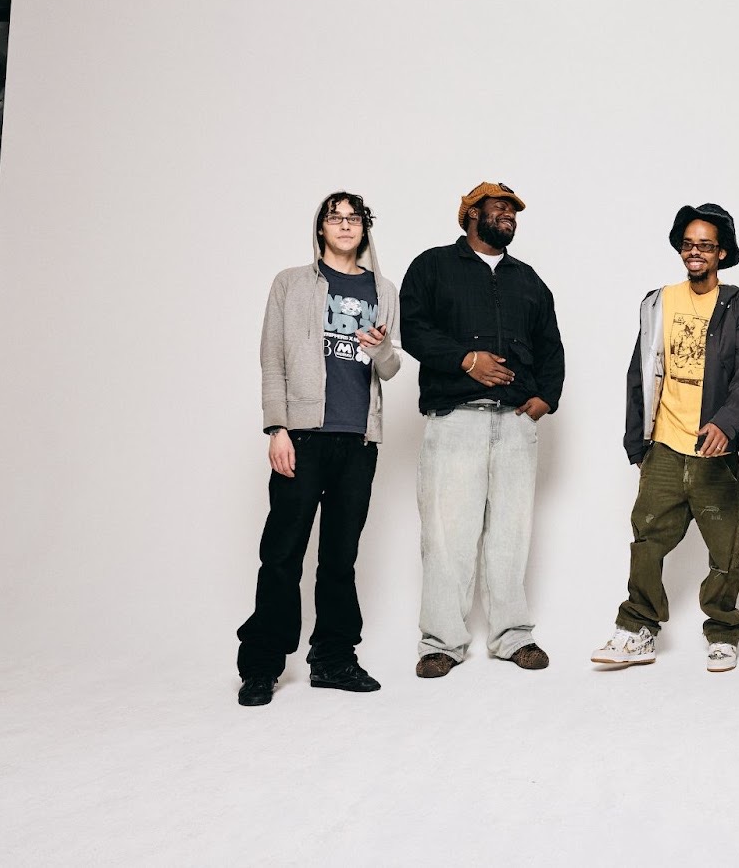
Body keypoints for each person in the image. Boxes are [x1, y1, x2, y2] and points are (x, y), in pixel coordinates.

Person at [237, 191, 402, 707]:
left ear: (365, 229)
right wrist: (277, 428)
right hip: (303, 438)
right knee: (282, 554)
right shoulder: (290, 283)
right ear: (321, 227)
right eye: (336, 217)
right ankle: (261, 665)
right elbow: (272, 359)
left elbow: (390, 368)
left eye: (354, 219)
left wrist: (380, 348)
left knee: (340, 558)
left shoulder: (383, 289)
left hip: (359, 440)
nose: (346, 225)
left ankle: (333, 659)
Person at [400, 182, 565, 677]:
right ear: (471, 213)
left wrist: (546, 397)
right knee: (446, 536)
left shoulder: (528, 279)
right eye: (499, 207)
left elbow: (550, 343)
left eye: (513, 210)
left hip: (515, 425)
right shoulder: (432, 266)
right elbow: (414, 329)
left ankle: (513, 638)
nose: (509, 214)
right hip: (456, 419)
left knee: (510, 536)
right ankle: (441, 643)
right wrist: (466, 359)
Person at [591, 203, 739, 673]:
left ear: (722, 253)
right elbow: (639, 372)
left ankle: (722, 631)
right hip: (664, 445)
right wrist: (637, 440)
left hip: (712, 448)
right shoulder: (658, 301)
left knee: (726, 547)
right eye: (688, 244)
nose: (695, 252)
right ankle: (637, 630)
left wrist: (726, 423)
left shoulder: (738, 307)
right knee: (647, 539)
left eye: (705, 245)